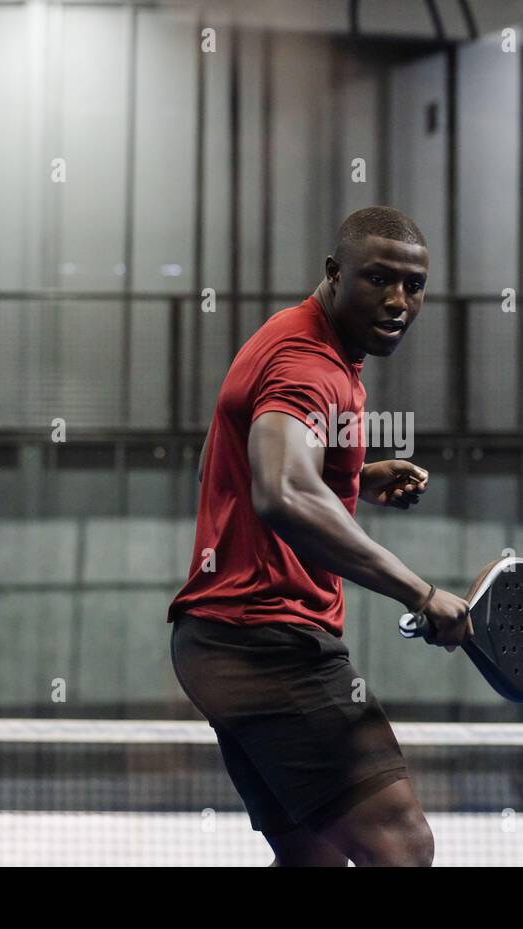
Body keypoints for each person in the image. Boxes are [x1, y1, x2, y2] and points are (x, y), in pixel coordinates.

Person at [168, 206, 472, 866]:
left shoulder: (289, 338)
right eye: (379, 279)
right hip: (266, 643)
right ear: (335, 274)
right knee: (404, 847)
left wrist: (348, 474)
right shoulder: (310, 364)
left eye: (414, 286)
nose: (398, 301)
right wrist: (420, 592)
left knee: (313, 860)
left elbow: (219, 463)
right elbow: (280, 492)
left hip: (214, 644)